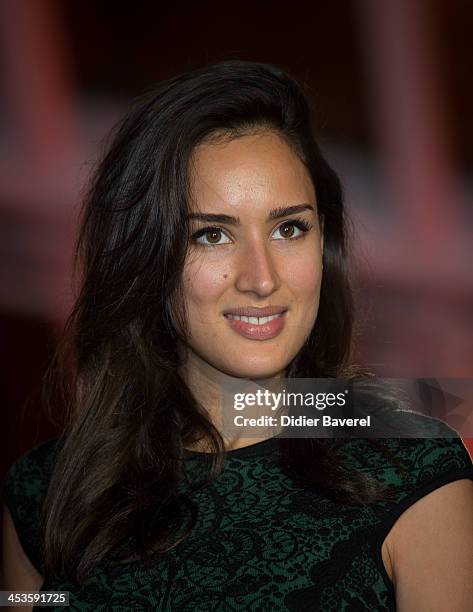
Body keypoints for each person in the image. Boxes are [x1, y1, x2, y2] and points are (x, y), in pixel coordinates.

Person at [2, 60, 473, 611]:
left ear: (325, 247)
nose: (262, 278)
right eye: (211, 235)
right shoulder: (46, 495)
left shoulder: (411, 470)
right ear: (146, 259)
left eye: (288, 228)